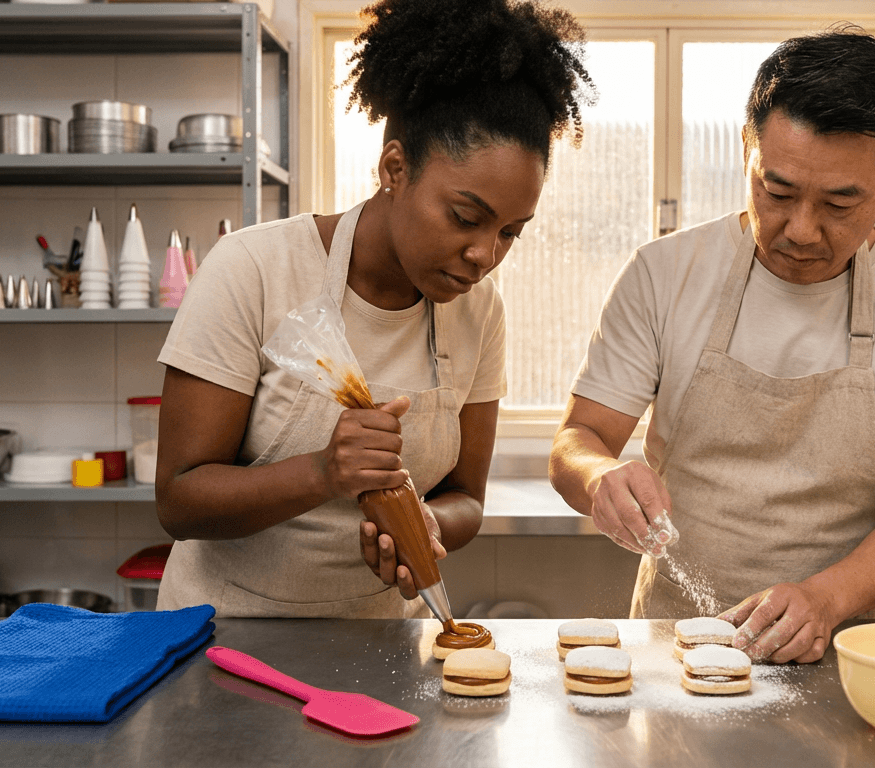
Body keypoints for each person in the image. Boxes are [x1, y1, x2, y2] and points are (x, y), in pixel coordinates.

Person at [549, 27, 875, 663]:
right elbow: (578, 439)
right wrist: (599, 476)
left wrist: (825, 598)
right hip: (675, 647)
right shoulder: (664, 274)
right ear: (746, 150)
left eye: (839, 203)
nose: (801, 230)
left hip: (850, 656)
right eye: (777, 192)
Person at [153, 0, 592, 618]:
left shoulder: (479, 312)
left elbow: (467, 497)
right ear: (394, 167)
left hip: (385, 640)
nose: (484, 255)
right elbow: (179, 502)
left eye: (510, 232)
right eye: (465, 217)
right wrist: (322, 473)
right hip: (230, 634)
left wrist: (428, 525)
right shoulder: (253, 269)